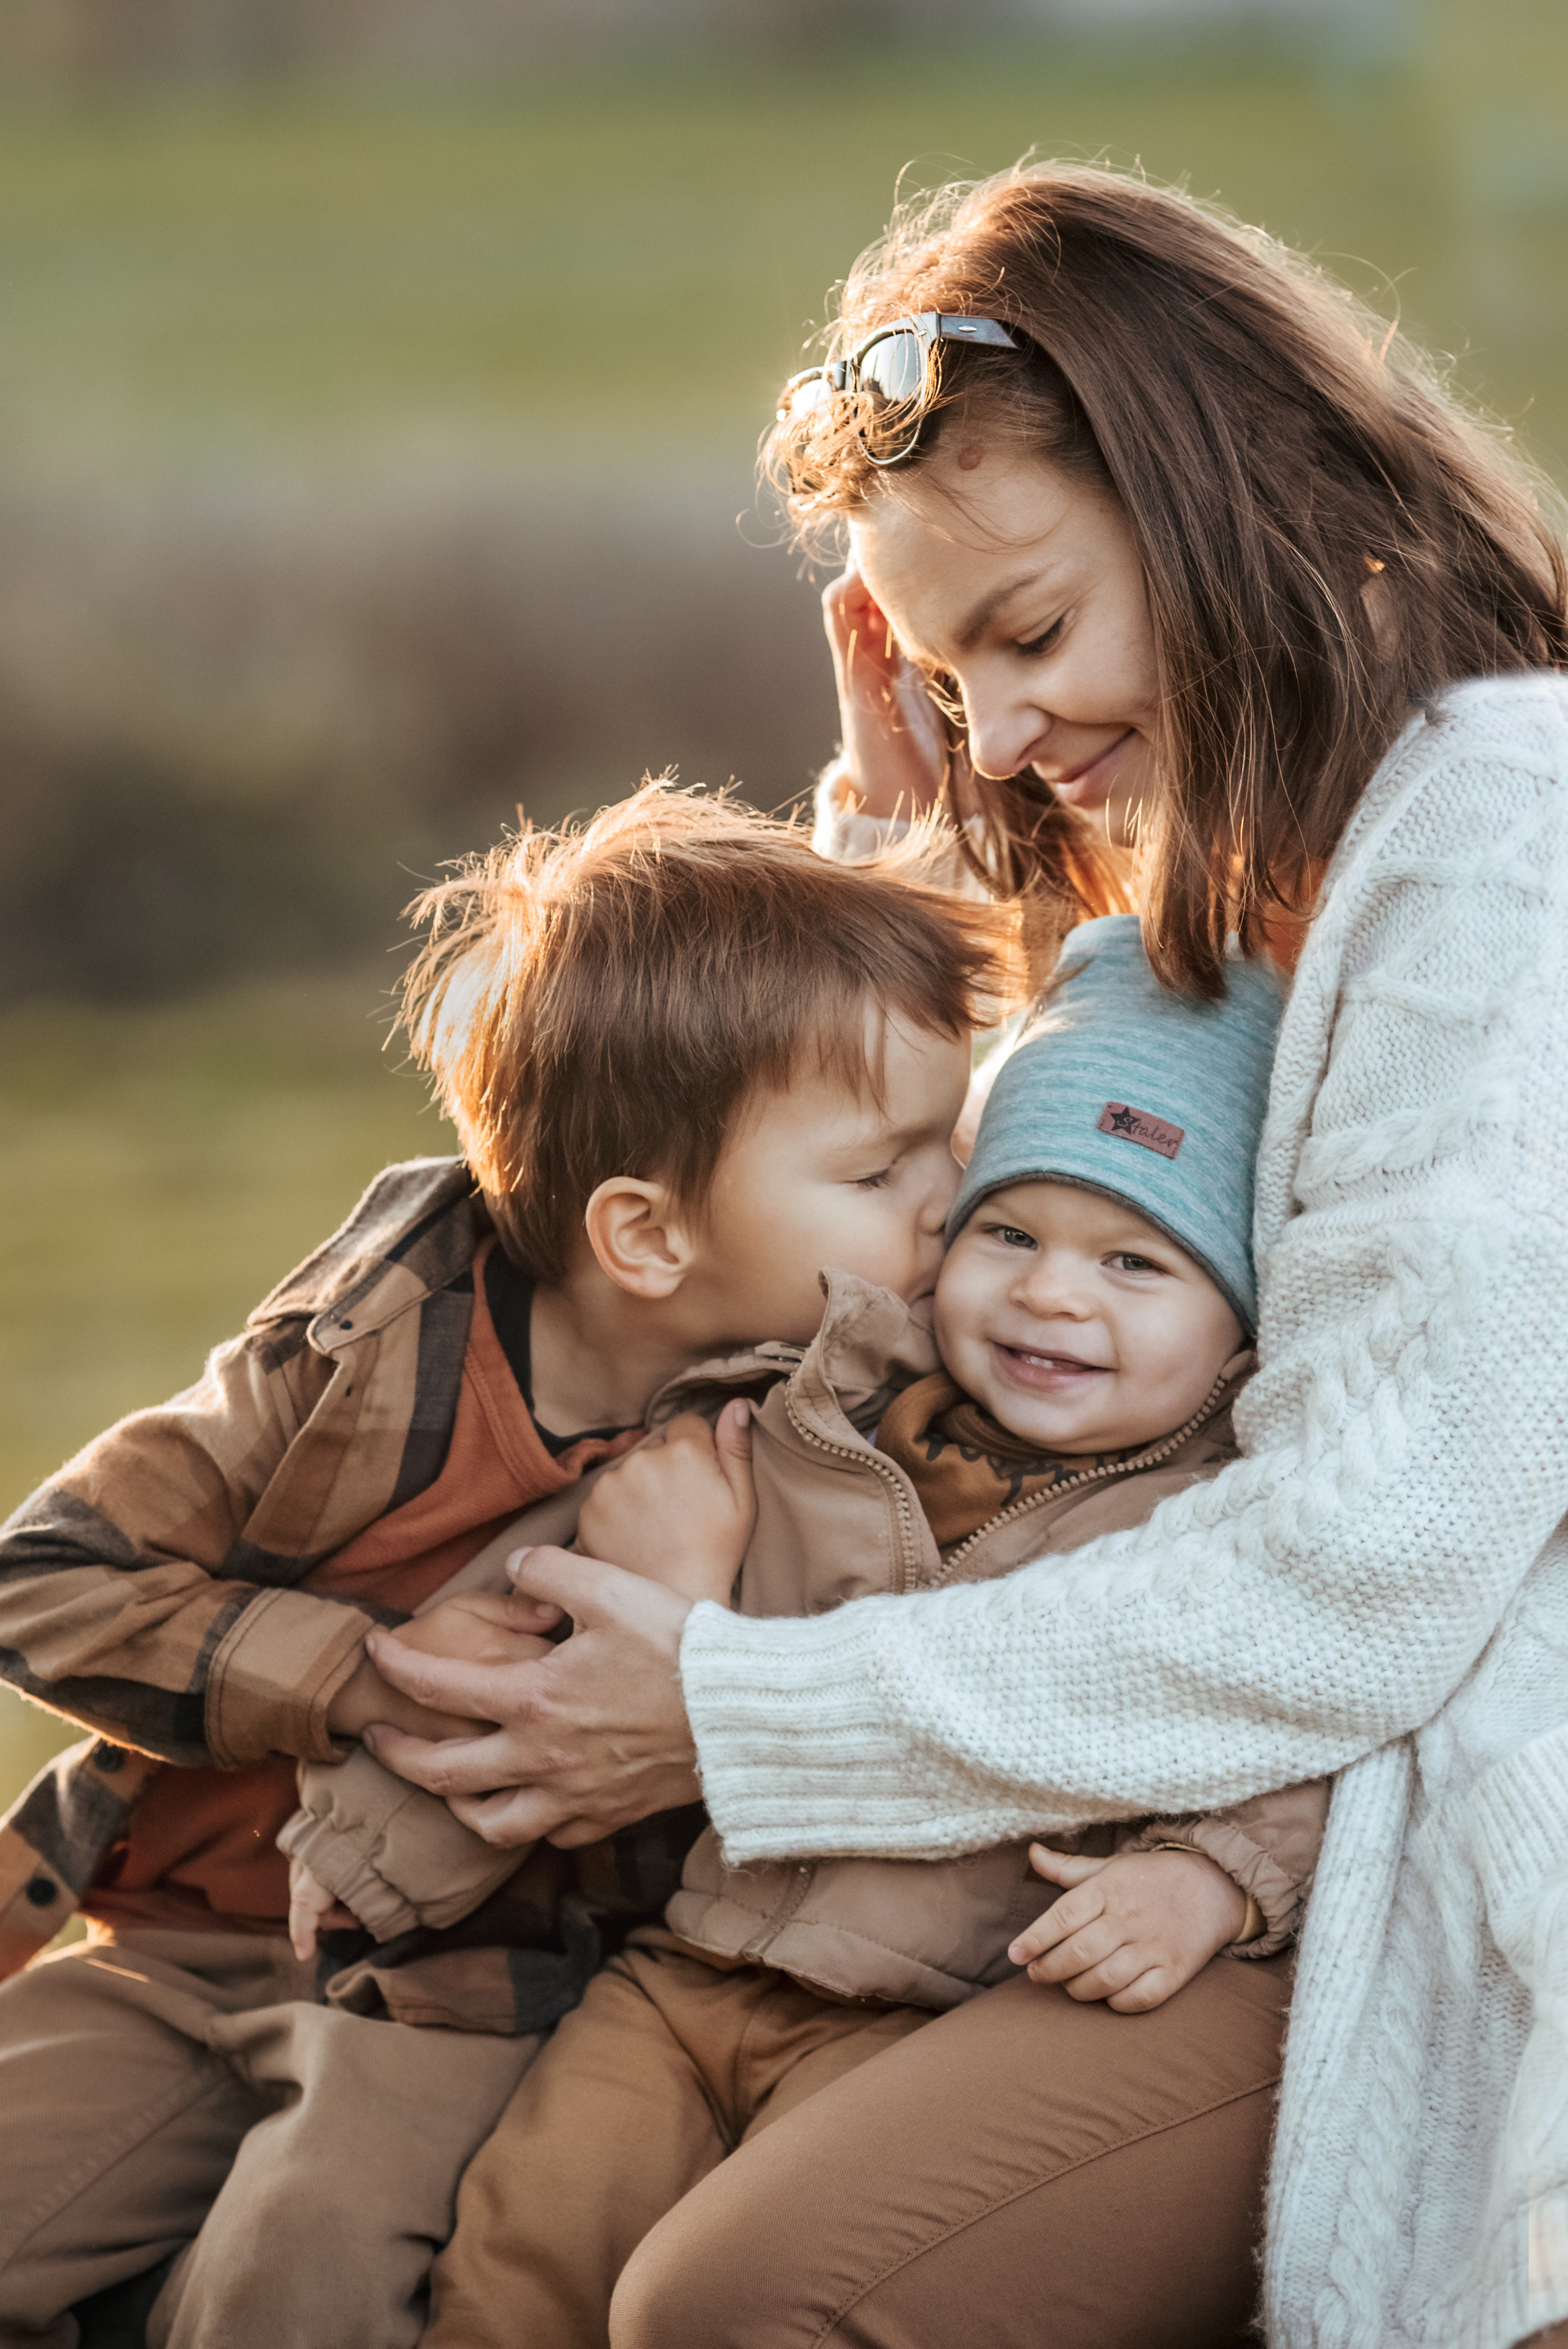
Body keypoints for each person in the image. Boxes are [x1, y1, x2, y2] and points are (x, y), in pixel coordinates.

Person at [361, 164, 1568, 2349]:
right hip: (1231, 1793)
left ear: (1225, 496)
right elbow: (1022, 1239)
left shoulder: (1522, 820)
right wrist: (908, 877)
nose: (1008, 732)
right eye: (957, 680)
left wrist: (732, 1715)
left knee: (743, 2306)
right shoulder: (1268, 856)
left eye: (1029, 636)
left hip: (1429, 1826)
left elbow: (1371, 1557)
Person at [0, 783, 1006, 2349]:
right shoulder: (353, 1351)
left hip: (448, 1998)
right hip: (172, 1933)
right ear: (643, 1236)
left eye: (951, 1143)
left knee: (292, 2296)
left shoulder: (821, 1441)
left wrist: (684, 1620)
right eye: (880, 1175)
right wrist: (356, 1681)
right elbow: (46, 1579)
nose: (950, 1206)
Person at [407, 910, 1332, 2349]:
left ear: (1242, 1327)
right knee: (518, 2269)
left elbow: (1297, 1721)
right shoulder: (818, 1417)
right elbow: (543, 1630)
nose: (1050, 1291)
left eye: (1136, 1265)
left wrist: (1212, 1878)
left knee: (763, 2284)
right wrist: (369, 1836)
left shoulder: (1213, 1523)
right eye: (1009, 1232)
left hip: (927, 2016)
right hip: (689, 1972)